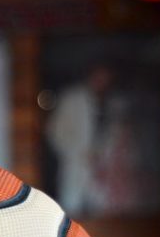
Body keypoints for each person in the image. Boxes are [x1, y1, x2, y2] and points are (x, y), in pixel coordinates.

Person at [45, 65, 113, 215]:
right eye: (100, 76)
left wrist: (101, 155)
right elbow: (55, 132)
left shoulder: (106, 102)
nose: (102, 81)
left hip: (98, 169)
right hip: (74, 166)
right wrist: (77, 153)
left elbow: (105, 136)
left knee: (99, 208)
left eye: (106, 78)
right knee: (71, 208)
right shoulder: (72, 99)